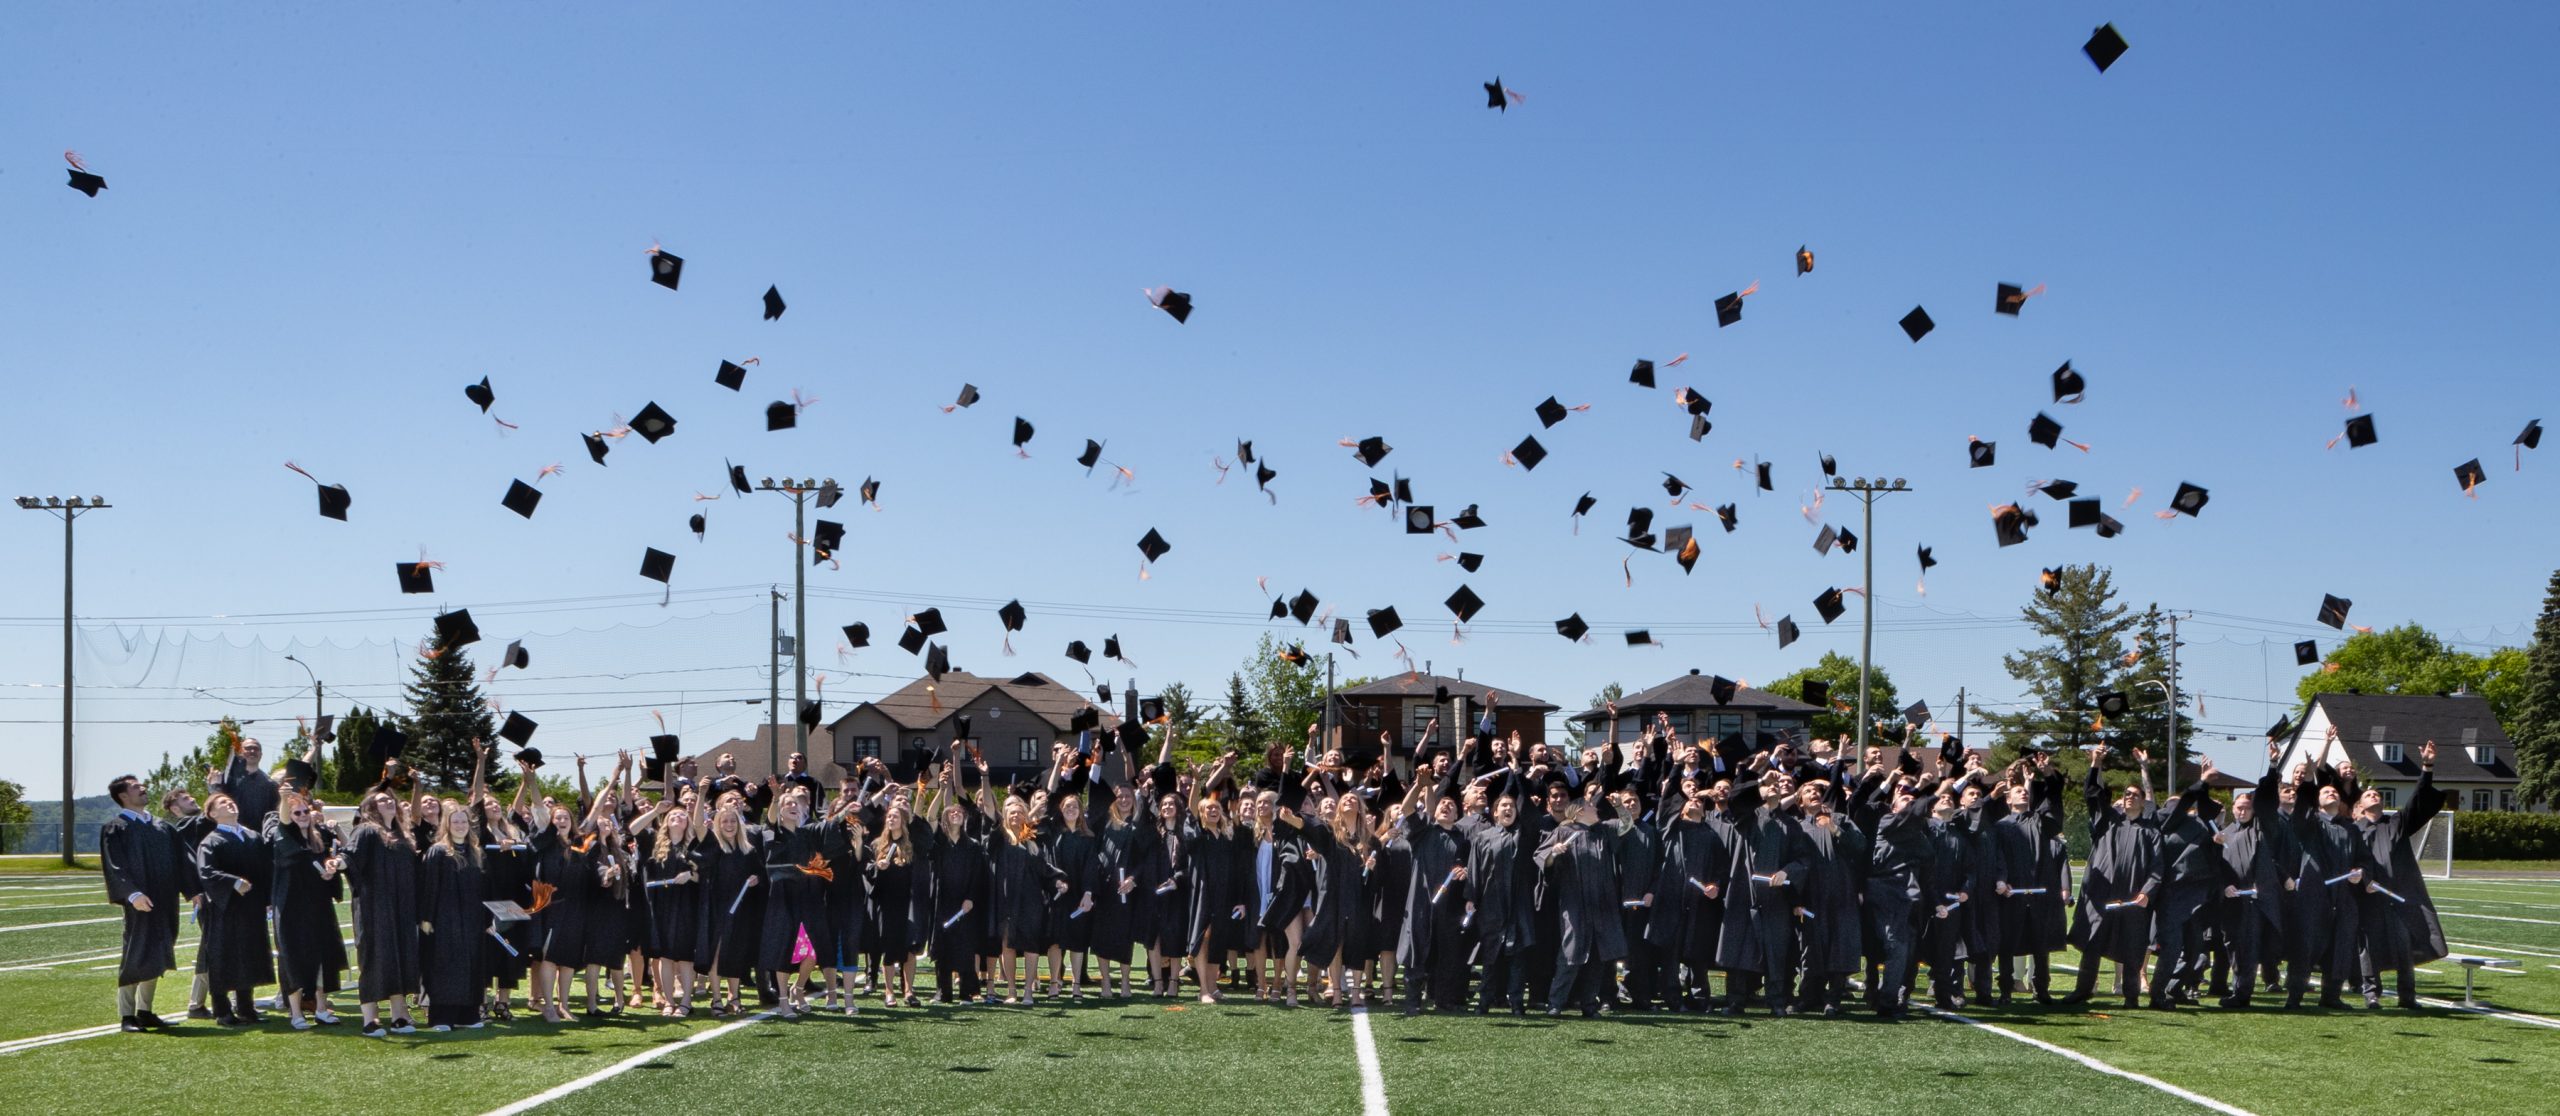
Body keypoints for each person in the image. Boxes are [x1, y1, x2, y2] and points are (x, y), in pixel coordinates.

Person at [2350, 740, 2447, 1010]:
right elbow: (2349, 862)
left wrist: (2427, 768)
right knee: (2369, 946)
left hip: (2398, 897)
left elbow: (2417, 800)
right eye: (2368, 795)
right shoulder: (2353, 831)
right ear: (2359, 806)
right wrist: (2362, 881)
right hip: (2368, 897)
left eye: (2377, 794)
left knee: (2404, 944)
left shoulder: (2396, 824)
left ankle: (2407, 995)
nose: (2374, 796)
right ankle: (2372, 994)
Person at [2065, 747, 2157, 1008]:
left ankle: (2131, 996)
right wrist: (2096, 763)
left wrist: (2147, 891)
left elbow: (2157, 867)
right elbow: (2093, 793)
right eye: (2126, 794)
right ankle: (2082, 991)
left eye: (2135, 794)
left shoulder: (2150, 831)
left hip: (2132, 898)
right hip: (2102, 894)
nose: (2129, 797)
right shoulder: (2108, 821)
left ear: (2143, 802)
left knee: (2132, 947)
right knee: (2092, 943)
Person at [102, 774, 186, 1032]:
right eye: (135, 786)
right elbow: (114, 865)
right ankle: (127, 1015)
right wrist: (132, 894)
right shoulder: (117, 827)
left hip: (165, 899)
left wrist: (194, 891)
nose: (143, 788)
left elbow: (183, 861)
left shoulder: (161, 827)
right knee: (136, 953)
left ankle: (145, 1011)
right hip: (139, 901)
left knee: (159, 950)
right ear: (123, 796)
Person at [1535, 787, 1626, 1018]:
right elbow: (1542, 858)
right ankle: (1555, 1003)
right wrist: (1554, 852)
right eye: (1591, 806)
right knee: (1570, 953)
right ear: (1579, 812)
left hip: (1602, 903)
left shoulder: (1603, 830)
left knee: (1598, 955)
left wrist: (1619, 806)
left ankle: (1589, 1004)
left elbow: (1627, 824)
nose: (1596, 809)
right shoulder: (1563, 831)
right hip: (1574, 902)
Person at [1993, 753, 2069, 1004]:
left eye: (2025, 792)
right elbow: (1998, 858)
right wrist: (2001, 880)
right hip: (2011, 895)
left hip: (2039, 895)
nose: (2023, 794)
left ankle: (2041, 989)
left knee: (2040, 945)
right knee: (2007, 944)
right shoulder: (2001, 826)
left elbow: (2053, 797)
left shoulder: (2039, 822)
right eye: (2018, 792)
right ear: (2008, 798)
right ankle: (2006, 990)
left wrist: (2046, 773)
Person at [193, 792, 274, 1026]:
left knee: (249, 953)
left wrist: (268, 898)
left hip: (251, 906)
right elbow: (206, 872)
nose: (230, 804)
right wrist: (233, 882)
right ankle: (222, 1010)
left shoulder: (253, 836)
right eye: (222, 803)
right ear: (212, 813)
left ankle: (246, 1008)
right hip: (224, 908)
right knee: (223, 955)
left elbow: (266, 869)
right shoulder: (211, 841)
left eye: (231, 801)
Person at [268, 788, 346, 1029]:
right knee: (293, 957)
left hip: (318, 905)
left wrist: (331, 870)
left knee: (322, 955)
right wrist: (285, 798)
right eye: (297, 813)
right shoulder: (283, 834)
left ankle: (321, 1009)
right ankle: (296, 1013)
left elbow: (334, 858)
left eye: (305, 811)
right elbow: (284, 820)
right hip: (291, 907)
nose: (302, 815)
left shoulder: (318, 837)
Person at [347, 791, 421, 1035]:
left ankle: (399, 1016)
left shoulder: (402, 835)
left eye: (391, 799)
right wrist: (338, 863)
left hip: (402, 907)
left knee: (400, 956)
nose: (389, 801)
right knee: (374, 957)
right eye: (382, 800)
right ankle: (370, 1019)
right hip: (374, 907)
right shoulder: (366, 830)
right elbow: (350, 856)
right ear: (371, 807)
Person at [418, 796, 491, 1031]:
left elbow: (484, 890)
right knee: (446, 966)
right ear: (447, 825)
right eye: (455, 822)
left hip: (472, 920)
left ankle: (467, 1015)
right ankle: (441, 1017)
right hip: (445, 919)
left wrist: (487, 919)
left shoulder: (476, 852)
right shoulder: (438, 852)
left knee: (471, 965)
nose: (460, 825)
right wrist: (426, 918)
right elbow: (429, 886)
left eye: (464, 821)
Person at [210, 735, 281, 833]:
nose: (252, 751)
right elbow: (216, 804)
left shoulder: (271, 785)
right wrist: (214, 785)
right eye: (248, 748)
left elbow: (275, 814)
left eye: (256, 748)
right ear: (240, 752)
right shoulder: (226, 779)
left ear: (261, 754)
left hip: (258, 837)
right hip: (231, 834)